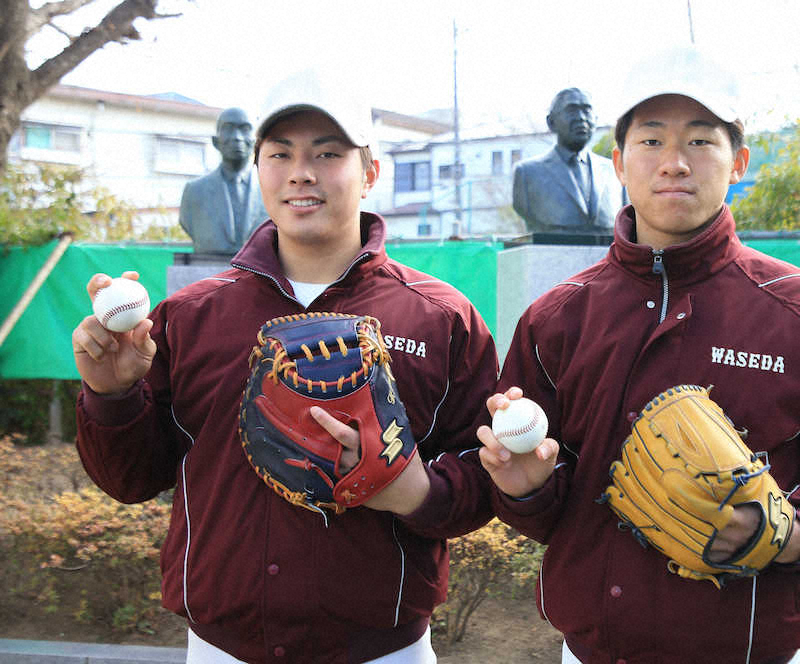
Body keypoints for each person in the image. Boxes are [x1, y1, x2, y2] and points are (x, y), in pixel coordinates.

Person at [477, 49, 800, 664]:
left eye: (701, 141)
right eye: (651, 140)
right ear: (620, 164)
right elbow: (543, 506)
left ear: (738, 161)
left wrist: (793, 534)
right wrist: (526, 490)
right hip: (594, 651)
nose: (675, 163)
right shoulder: (558, 317)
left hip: (749, 650)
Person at [72, 72, 499, 663]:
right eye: (280, 154)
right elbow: (131, 480)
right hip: (222, 648)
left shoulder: (440, 317)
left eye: (328, 153)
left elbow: (483, 480)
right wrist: (111, 394)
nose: (302, 172)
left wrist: (411, 489)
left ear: (370, 172)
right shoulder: (190, 316)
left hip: (384, 651)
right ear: (259, 171)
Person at [512, 88, 625, 234]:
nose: (581, 118)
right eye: (572, 110)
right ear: (551, 122)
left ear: (595, 120)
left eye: (587, 110)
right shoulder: (527, 173)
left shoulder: (616, 172)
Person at [178, 107, 269, 255]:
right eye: (228, 129)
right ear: (215, 141)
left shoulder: (273, 190)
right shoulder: (194, 191)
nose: (237, 137)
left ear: (257, 141)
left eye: (245, 129)